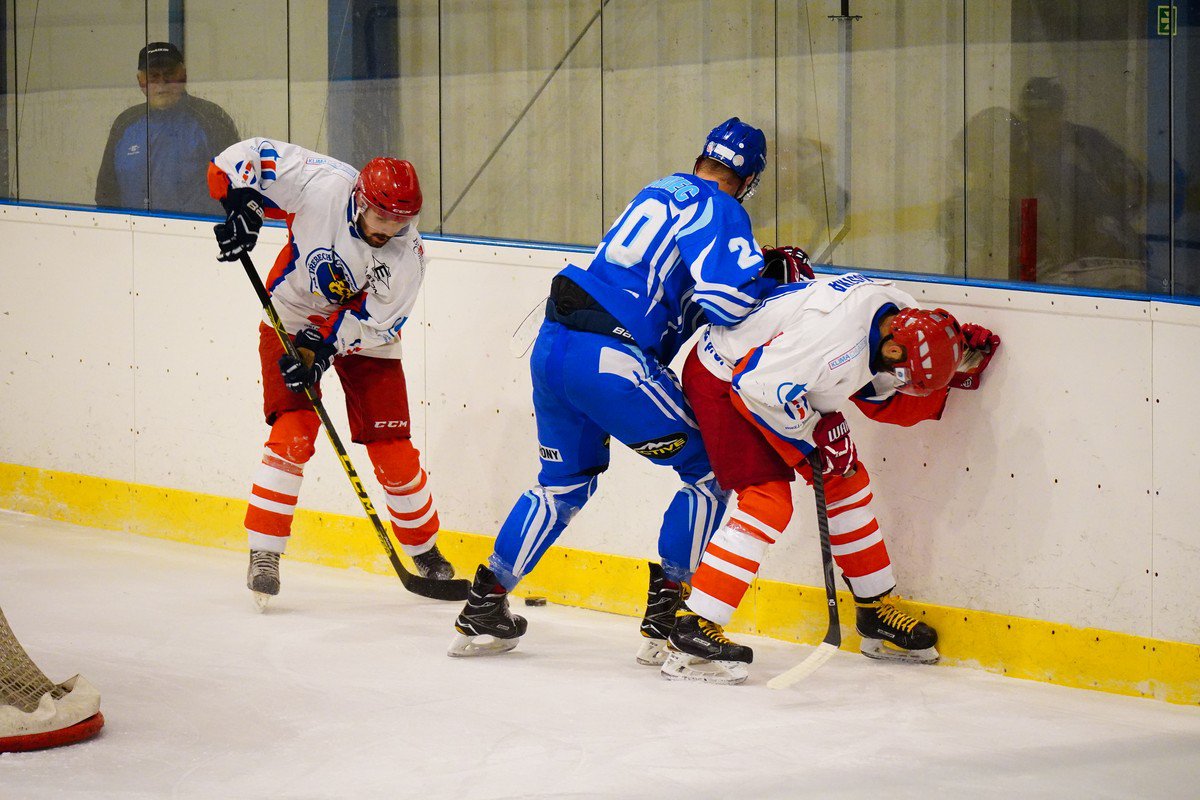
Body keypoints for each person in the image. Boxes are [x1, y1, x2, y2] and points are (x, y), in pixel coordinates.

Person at [447, 118, 805, 658]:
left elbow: (673, 288)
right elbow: (726, 302)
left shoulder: (660, 188)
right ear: (749, 179)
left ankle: (484, 606)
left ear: (701, 159)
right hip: (610, 361)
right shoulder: (721, 205)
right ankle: (668, 617)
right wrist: (769, 286)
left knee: (562, 484)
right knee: (711, 470)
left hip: (553, 347)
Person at [664, 271, 1001, 683]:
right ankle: (694, 625)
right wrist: (813, 430)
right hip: (726, 378)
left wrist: (959, 361)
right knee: (767, 501)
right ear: (893, 347)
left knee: (846, 481)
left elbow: (878, 385)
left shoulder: (899, 317)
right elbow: (754, 384)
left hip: (785, 375)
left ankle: (874, 610)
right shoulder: (833, 341)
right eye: (906, 374)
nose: (905, 383)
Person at [207, 137, 456, 606]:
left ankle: (425, 550)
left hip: (362, 334)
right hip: (291, 312)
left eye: (401, 221)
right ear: (360, 200)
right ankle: (265, 552)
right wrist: (244, 209)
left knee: (393, 449)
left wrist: (318, 352)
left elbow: (376, 324)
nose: (390, 229)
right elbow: (234, 161)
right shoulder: (322, 183)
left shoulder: (408, 256)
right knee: (294, 431)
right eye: (382, 217)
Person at [96, 42, 238, 215]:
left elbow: (239, 186)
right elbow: (106, 193)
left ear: (183, 75)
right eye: (153, 76)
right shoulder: (125, 123)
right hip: (133, 229)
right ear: (141, 81)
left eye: (169, 74)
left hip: (198, 230)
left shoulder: (211, 119)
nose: (162, 83)